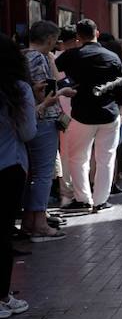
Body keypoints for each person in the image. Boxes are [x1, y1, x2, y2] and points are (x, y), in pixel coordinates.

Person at [54, 19, 122, 214]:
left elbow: (55, 66)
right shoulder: (112, 57)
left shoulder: (71, 56)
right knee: (106, 158)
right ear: (97, 34)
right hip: (109, 112)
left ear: (78, 37)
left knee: (78, 158)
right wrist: (121, 109)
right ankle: (101, 200)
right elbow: (119, 87)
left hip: (82, 114)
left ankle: (83, 198)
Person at [0, 36, 35, 318]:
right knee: (2, 236)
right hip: (8, 167)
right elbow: (27, 133)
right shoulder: (17, 89)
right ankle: (2, 297)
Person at [22, 22, 67, 240]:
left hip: (28, 119)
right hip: (44, 119)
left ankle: (30, 220)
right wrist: (57, 97)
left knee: (33, 174)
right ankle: (39, 223)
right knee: (43, 174)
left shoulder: (22, 56)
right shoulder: (39, 58)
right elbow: (43, 92)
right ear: (49, 39)